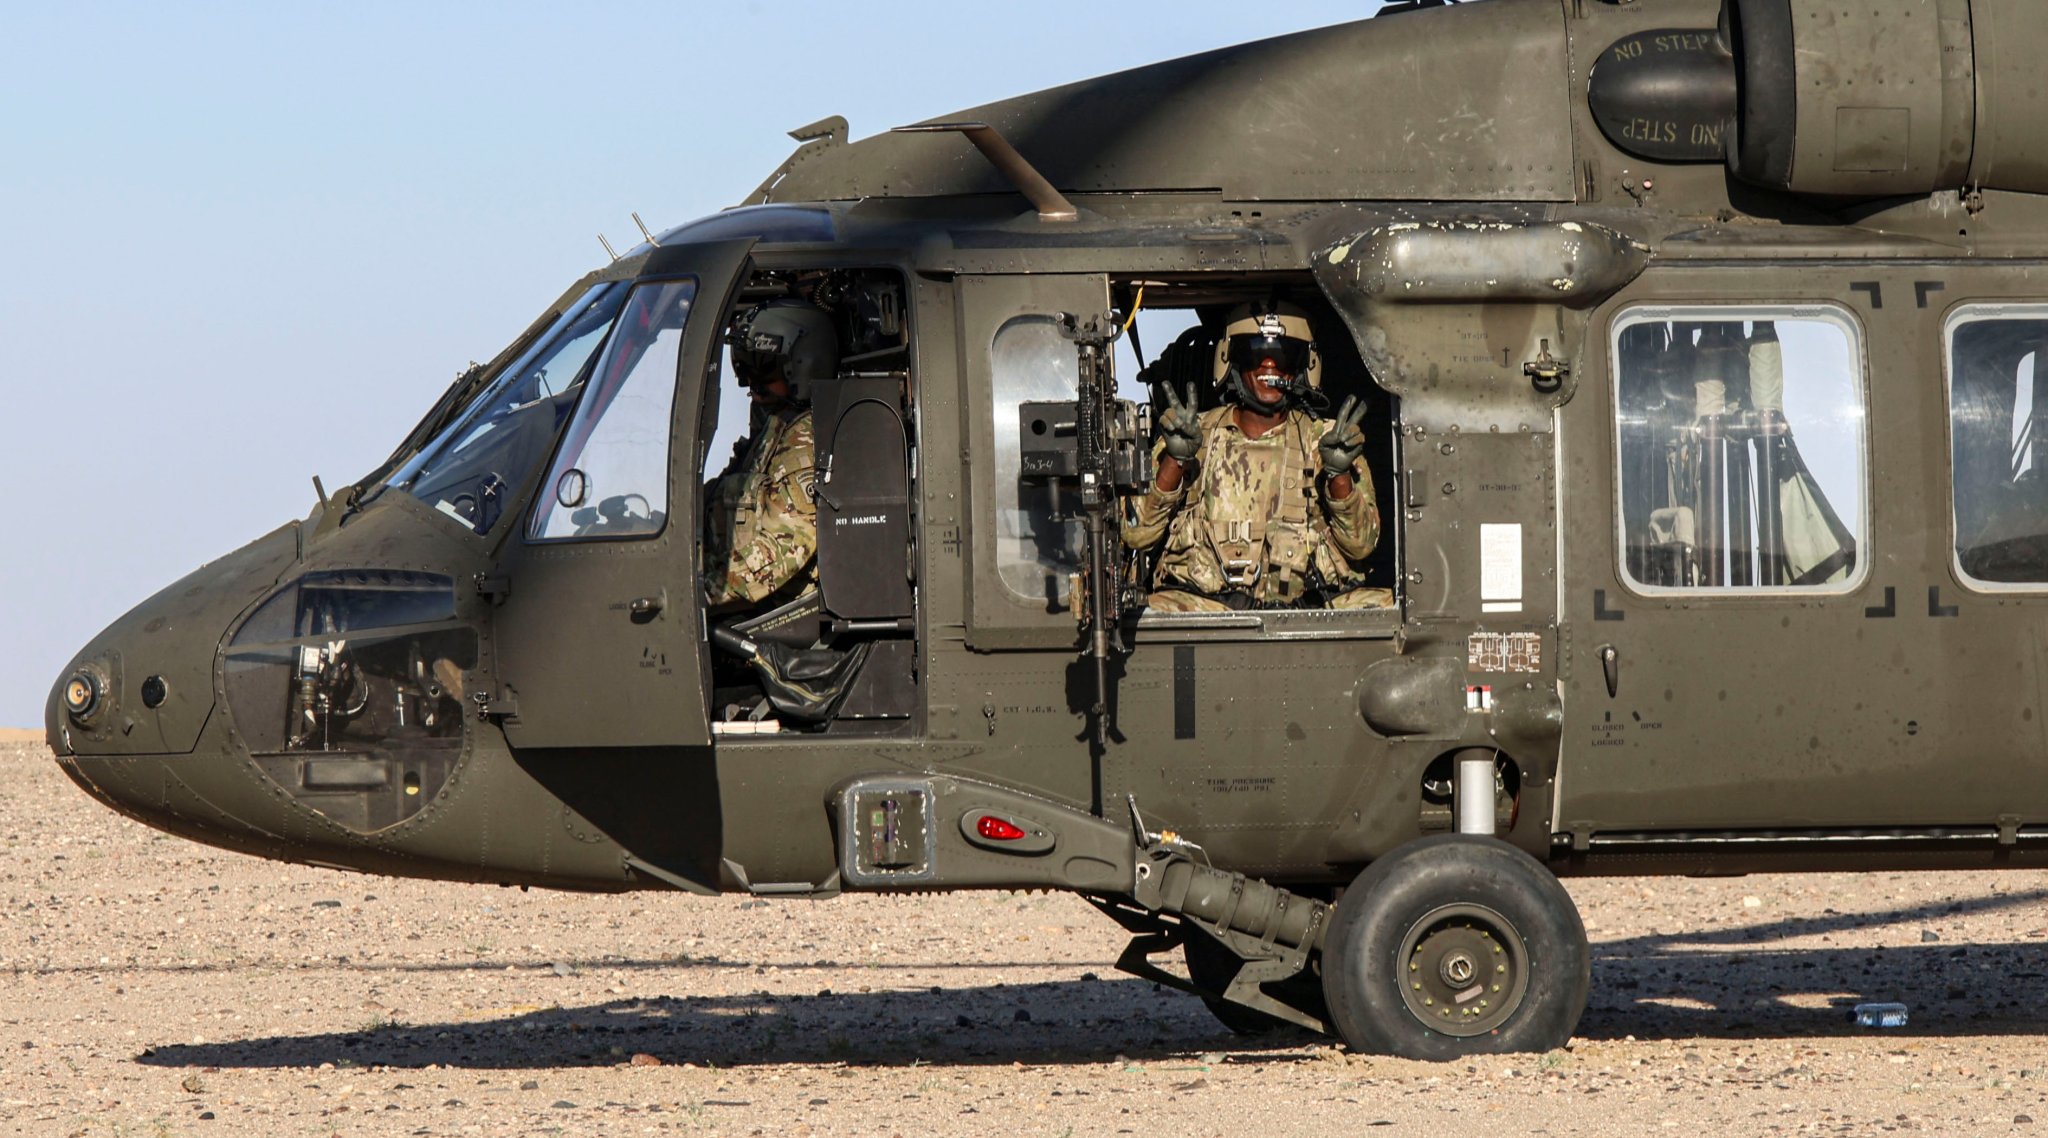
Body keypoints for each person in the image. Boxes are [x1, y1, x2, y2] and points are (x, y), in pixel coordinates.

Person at [1123, 301, 1386, 612]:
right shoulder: (1196, 435)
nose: (1269, 367)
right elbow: (1136, 535)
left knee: (1384, 606)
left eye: (1284, 357)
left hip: (1310, 615)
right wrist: (1175, 462)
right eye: (1254, 355)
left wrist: (1338, 475)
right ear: (1231, 362)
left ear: (1304, 366)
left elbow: (1361, 545)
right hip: (1204, 614)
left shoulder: (1328, 441)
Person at [703, 299, 838, 610]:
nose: (751, 382)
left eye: (762, 366)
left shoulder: (806, 442)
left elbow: (780, 551)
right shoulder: (772, 431)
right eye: (743, 365)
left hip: (773, 615)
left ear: (803, 363)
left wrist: (697, 588)